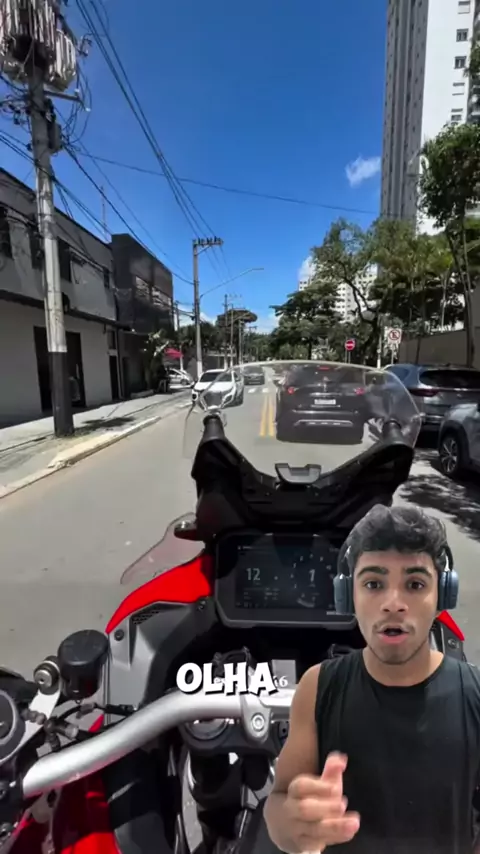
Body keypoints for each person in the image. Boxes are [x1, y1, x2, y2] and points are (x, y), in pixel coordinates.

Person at [264, 504, 480, 854]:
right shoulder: (317, 687)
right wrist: (292, 822)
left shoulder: (475, 696)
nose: (393, 603)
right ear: (348, 596)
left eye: (415, 584)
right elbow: (279, 804)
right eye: (374, 584)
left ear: (443, 595)